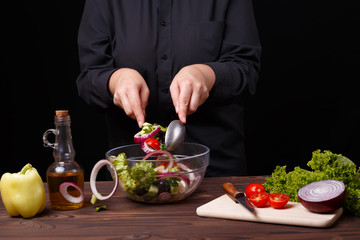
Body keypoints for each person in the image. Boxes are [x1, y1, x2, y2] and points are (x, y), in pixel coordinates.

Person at [76, 0, 261, 177]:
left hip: (216, 171)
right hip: (133, 172)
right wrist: (116, 80)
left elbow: (247, 69)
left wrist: (206, 75)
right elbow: (88, 77)